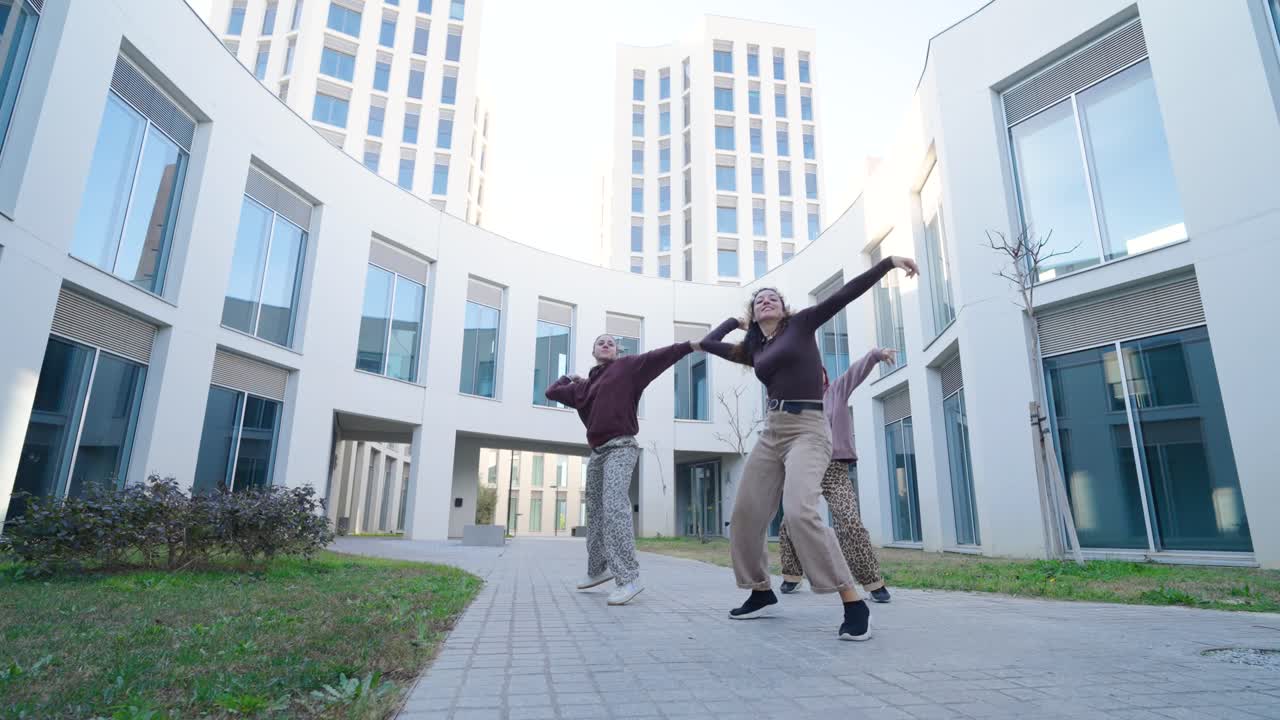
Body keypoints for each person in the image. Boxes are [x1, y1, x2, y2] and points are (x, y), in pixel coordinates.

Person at [699, 255, 917, 640]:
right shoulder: (755, 350)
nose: (766, 300)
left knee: (799, 512)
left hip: (808, 429)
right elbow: (707, 343)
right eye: (758, 300)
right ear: (753, 313)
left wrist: (887, 264)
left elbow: (845, 293)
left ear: (785, 309)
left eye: (773, 297)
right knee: (746, 514)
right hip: (772, 431)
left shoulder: (801, 325)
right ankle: (761, 592)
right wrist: (735, 321)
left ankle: (852, 600)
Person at [544, 333, 701, 606]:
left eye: (611, 343)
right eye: (600, 342)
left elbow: (659, 357)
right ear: (593, 351)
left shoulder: (627, 368)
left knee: (615, 507)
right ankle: (597, 570)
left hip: (622, 447)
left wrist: (689, 345)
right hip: (597, 452)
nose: (606, 345)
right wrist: (570, 378)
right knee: (595, 511)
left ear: (617, 351)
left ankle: (629, 578)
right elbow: (552, 392)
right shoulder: (583, 388)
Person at [778, 350, 897, 602]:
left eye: (817, 372)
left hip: (834, 469)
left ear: (824, 376)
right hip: (806, 468)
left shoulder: (837, 391)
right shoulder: (796, 405)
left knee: (850, 520)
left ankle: (873, 582)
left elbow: (856, 371)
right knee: (790, 520)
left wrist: (876, 355)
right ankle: (791, 575)